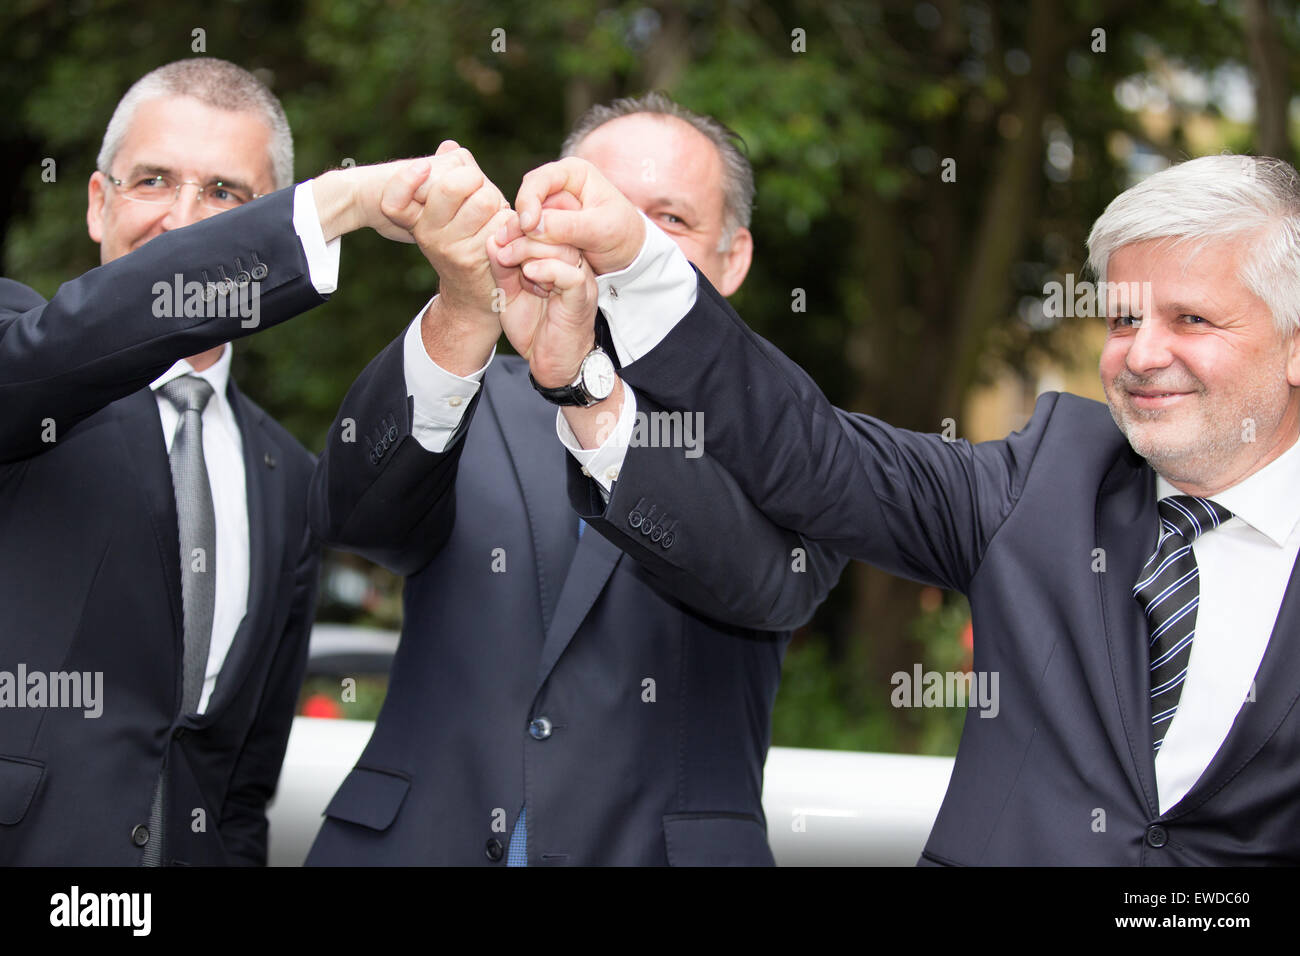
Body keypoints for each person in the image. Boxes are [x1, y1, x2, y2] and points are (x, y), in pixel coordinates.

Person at [499, 152, 1300, 865]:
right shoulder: (1051, 479)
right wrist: (641, 264)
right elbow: (811, 453)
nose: (1142, 353)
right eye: (1125, 318)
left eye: (1191, 319)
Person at [305, 93, 845, 866]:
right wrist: (463, 312)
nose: (628, 243)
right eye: (600, 209)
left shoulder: (796, 438)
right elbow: (354, 518)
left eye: (671, 221)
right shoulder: (463, 389)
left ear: (735, 259)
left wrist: (588, 396)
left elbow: (768, 585)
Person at [0, 57, 469, 865]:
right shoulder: (19, 355)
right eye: (153, 180)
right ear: (95, 201)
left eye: (225, 195)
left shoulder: (286, 473)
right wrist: (344, 201)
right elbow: (72, 345)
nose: (186, 221)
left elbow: (239, 782)